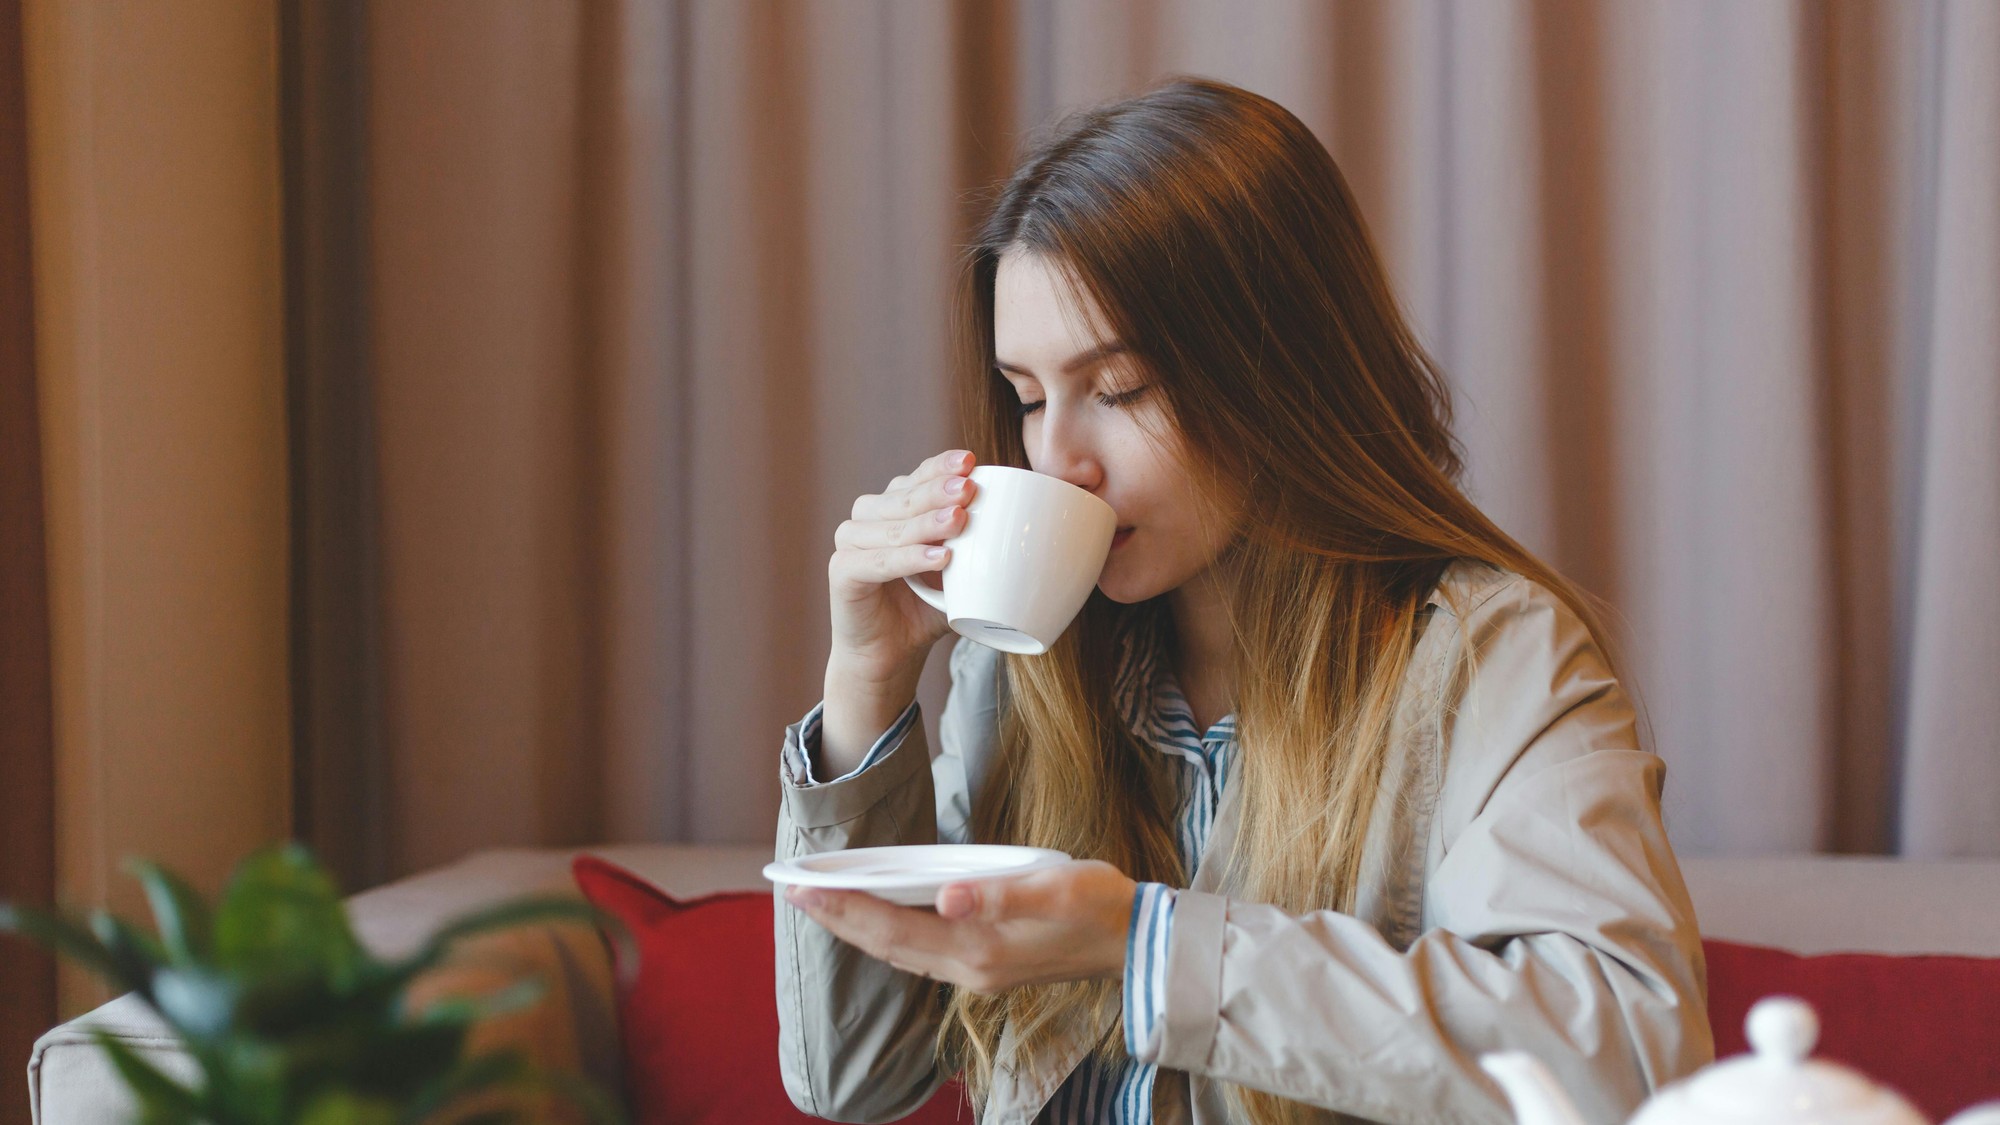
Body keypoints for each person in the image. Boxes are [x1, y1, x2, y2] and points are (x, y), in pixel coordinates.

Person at [772, 77, 1711, 1125]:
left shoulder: (1489, 657)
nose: (1056, 458)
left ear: (1277, 372)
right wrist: (867, 683)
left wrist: (1145, 947)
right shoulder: (1023, 671)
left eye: (1118, 389)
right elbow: (851, 1077)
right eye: (1029, 399)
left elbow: (1632, 1057)